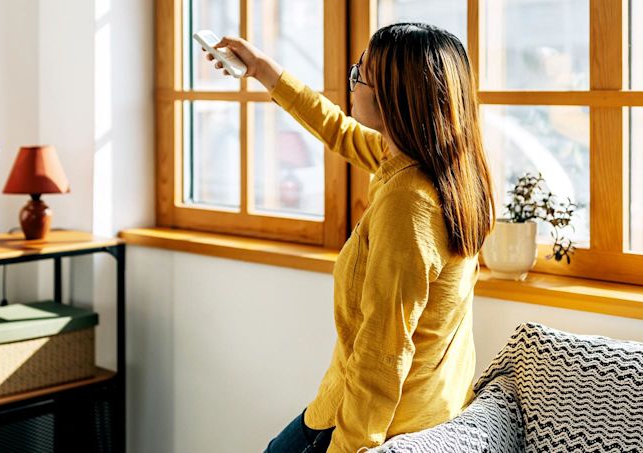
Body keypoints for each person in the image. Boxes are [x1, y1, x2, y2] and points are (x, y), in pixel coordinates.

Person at [204, 22, 495, 453]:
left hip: (376, 425)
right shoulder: (439, 170)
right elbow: (337, 130)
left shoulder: (408, 204)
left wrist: (352, 446)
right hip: (429, 407)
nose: (352, 79)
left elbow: (383, 353)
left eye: (361, 72)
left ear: (393, 97)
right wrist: (265, 70)